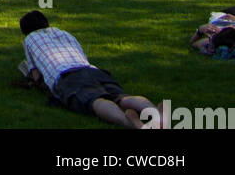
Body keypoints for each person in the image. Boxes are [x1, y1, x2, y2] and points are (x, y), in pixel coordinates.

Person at [20, 11, 159, 128]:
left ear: (25, 31)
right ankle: (157, 115)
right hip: (92, 70)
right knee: (122, 97)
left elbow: (35, 74)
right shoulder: (64, 33)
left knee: (95, 100)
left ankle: (130, 123)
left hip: (67, 76)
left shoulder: (29, 40)